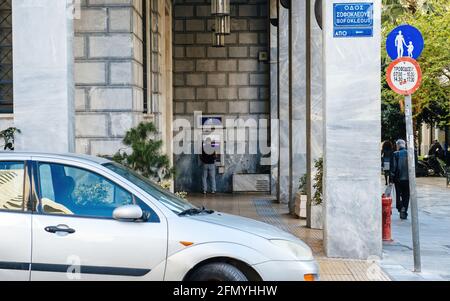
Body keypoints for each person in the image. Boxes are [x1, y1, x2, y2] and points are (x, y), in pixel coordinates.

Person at [390, 139, 410, 220]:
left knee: (398, 194)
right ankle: (404, 209)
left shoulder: (395, 154)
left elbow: (394, 167)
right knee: (406, 195)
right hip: (408, 179)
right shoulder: (410, 153)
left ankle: (400, 207)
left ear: (398, 145)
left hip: (398, 179)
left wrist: (391, 178)